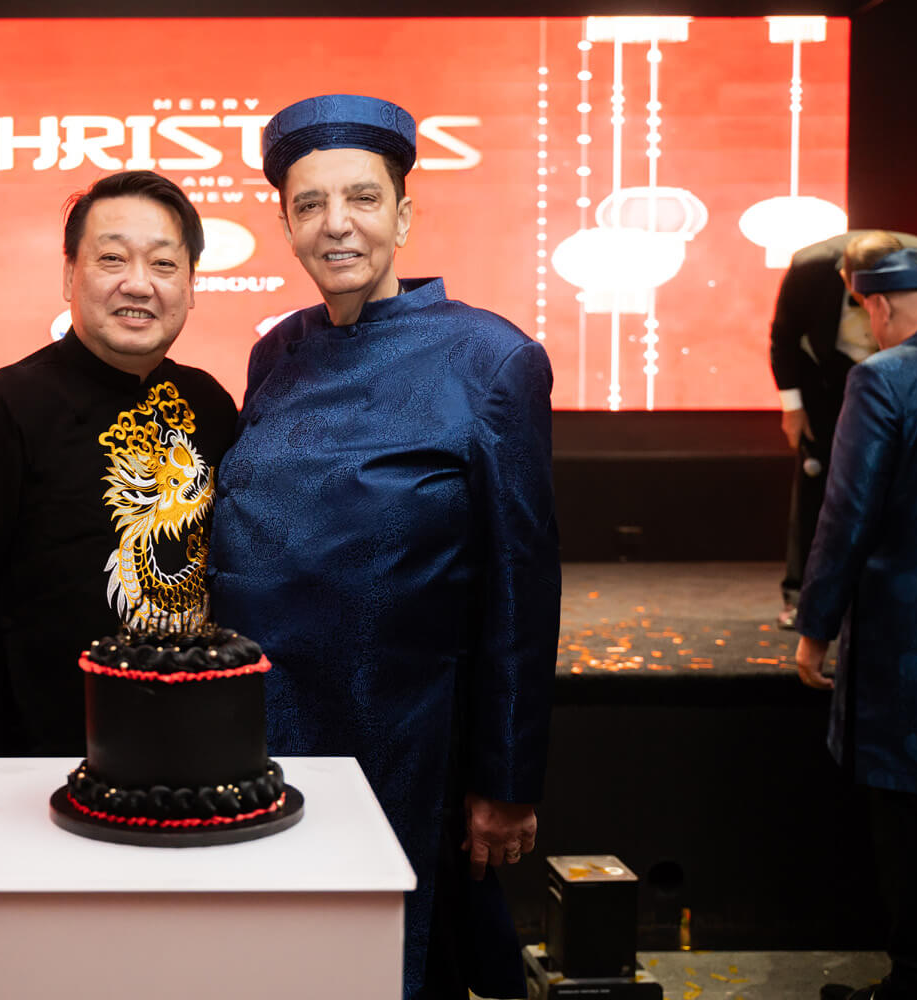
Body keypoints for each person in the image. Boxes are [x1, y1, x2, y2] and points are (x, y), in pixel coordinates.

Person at [207, 94, 560, 1000]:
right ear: (286, 226)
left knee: (385, 962)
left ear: (404, 215)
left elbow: (521, 589)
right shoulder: (277, 353)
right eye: (309, 204)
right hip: (262, 733)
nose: (337, 224)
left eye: (363, 198)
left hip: (402, 739)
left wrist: (505, 780)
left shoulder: (491, 359)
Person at [0, 170, 237, 806]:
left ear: (190, 284)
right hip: (38, 777)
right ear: (69, 276)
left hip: (192, 760)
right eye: (112, 258)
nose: (138, 284)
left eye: (164, 263)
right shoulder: (5, 410)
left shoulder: (210, 406)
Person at [794, 247, 917, 1000]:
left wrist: (815, 626)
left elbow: (847, 516)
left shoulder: (887, 378)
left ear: (880, 307)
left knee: (916, 823)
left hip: (916, 646)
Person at [769, 231, 917, 629]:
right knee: (826, 483)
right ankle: (803, 596)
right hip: (828, 379)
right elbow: (783, 337)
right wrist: (793, 408)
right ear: (845, 277)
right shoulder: (810, 268)